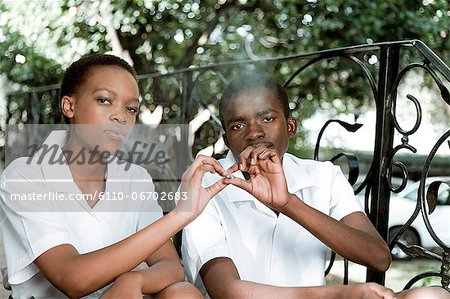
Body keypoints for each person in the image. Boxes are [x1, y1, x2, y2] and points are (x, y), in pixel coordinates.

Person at [181, 75, 450, 299]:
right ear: (227, 140)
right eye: (238, 125)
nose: (254, 133)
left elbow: (378, 257)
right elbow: (226, 291)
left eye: (266, 119)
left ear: (290, 126)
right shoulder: (205, 184)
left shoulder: (324, 176)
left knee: (431, 296)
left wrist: (288, 203)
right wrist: (337, 294)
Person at [0, 54, 228, 298]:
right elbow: (72, 278)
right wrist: (180, 215)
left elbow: (171, 267)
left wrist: (135, 280)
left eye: (130, 108)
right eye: (104, 100)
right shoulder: (25, 176)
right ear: (70, 106)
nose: (121, 116)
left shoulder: (135, 178)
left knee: (183, 293)